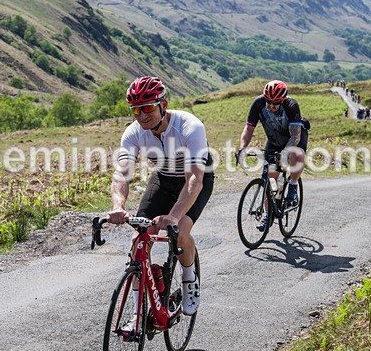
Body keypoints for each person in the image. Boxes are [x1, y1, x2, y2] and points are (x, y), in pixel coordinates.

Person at [107, 76, 214, 318]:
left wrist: (174, 216)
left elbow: (195, 180)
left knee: (180, 232)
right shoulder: (133, 133)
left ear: (162, 105)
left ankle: (189, 279)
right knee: (139, 242)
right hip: (164, 178)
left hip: (196, 179)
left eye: (147, 108)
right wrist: (118, 206)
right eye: (136, 109)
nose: (142, 115)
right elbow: (121, 174)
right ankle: (137, 313)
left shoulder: (189, 126)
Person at [236, 80, 308, 231]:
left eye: (275, 103)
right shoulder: (258, 104)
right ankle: (268, 215)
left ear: (282, 101)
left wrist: (284, 154)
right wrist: (242, 148)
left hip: (293, 138)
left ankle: (293, 185)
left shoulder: (291, 105)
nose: (270, 106)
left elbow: (295, 137)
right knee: (271, 178)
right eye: (268, 102)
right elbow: (249, 129)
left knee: (298, 155)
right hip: (274, 140)